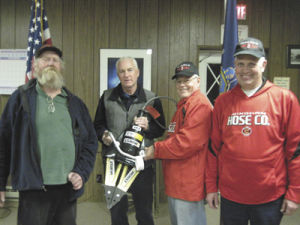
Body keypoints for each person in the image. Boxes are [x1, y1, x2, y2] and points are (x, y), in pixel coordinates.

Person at [206, 37, 300, 225]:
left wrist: (295, 192)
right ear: (234, 66)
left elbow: (295, 151)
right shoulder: (223, 102)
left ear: (263, 65)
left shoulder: (285, 99)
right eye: (240, 64)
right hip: (231, 196)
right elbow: (213, 148)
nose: (245, 70)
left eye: (252, 63)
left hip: (270, 197)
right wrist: (210, 187)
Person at [0, 45, 98, 225]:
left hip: (67, 190)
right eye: (46, 59)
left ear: (61, 67)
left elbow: (90, 141)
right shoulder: (20, 99)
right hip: (33, 189)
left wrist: (81, 172)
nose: (51, 63)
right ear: (35, 66)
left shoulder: (75, 103)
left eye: (55, 60)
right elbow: (3, 142)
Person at [94, 57, 165, 225]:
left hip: (142, 163)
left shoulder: (152, 98)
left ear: (138, 72)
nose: (126, 75)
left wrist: (148, 127)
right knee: (117, 212)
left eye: (130, 70)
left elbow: (160, 129)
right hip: (114, 162)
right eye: (122, 71)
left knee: (144, 212)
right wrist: (103, 135)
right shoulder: (106, 97)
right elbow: (97, 125)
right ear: (117, 74)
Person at [144, 62, 213, 225]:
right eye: (179, 81)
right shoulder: (184, 105)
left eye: (187, 80)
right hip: (177, 182)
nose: (182, 85)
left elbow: (186, 143)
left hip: (188, 185)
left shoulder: (199, 105)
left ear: (198, 80)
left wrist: (155, 149)